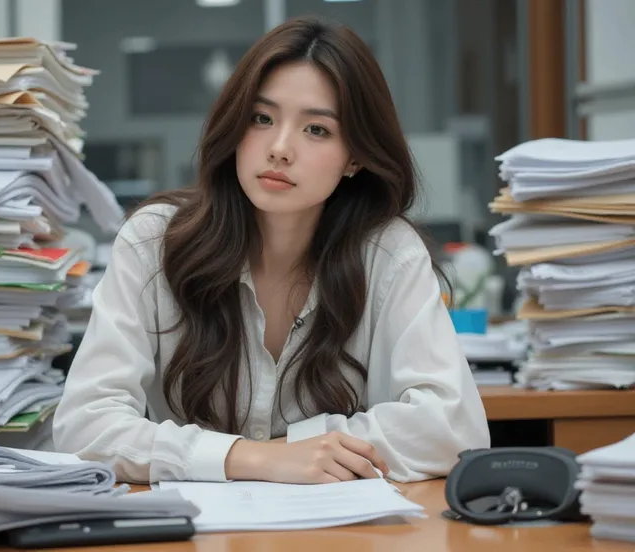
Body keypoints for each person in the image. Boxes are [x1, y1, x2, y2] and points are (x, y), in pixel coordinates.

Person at [53, 15, 490, 485]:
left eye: (316, 129)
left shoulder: (387, 254)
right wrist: (252, 459)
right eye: (262, 119)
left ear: (356, 156)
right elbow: (84, 426)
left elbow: (452, 427)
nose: (280, 148)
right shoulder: (154, 242)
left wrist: (304, 450)